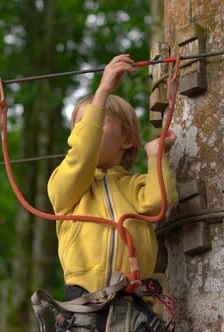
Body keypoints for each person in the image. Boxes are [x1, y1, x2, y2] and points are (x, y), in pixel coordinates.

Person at [47, 54, 178, 331]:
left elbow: (158, 203)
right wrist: (102, 91)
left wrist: (156, 157)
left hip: (131, 304)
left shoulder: (134, 186)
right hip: (83, 303)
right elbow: (82, 154)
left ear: (127, 139)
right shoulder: (66, 187)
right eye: (81, 127)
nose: (88, 132)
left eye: (97, 120)